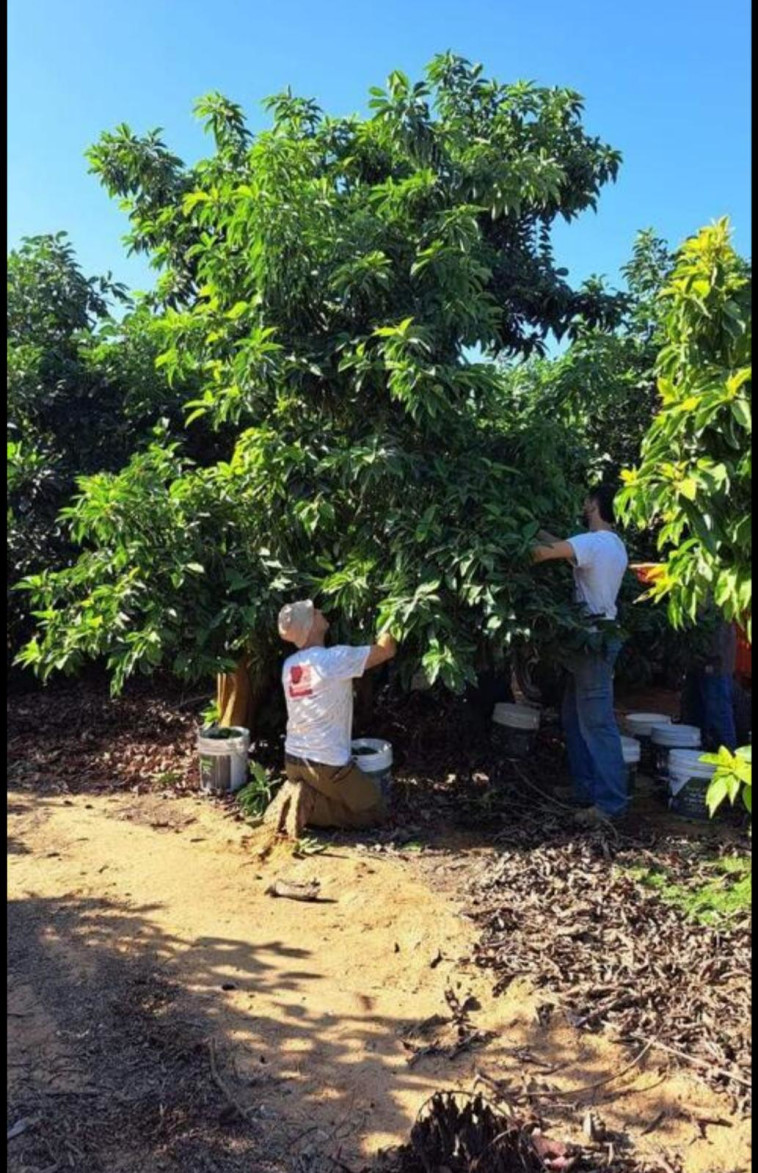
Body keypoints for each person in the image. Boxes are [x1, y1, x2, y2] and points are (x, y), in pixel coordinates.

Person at [531, 485, 629, 827]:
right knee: (574, 716)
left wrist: (511, 539)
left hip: (593, 640)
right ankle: (585, 787)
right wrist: (533, 526)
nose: (582, 504)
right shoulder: (612, 544)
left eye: (586, 500)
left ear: (593, 504)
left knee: (598, 722)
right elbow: (563, 547)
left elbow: (543, 554)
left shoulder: (595, 543)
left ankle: (610, 804)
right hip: (594, 639)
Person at [264, 599, 397, 838]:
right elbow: (386, 650)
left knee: (343, 792)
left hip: (293, 761)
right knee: (375, 810)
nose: (320, 611)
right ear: (310, 627)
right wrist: (393, 612)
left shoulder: (289, 665)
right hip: (326, 765)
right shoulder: (334, 660)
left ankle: (301, 791)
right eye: (314, 612)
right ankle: (312, 804)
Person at [680, 613, 738, 751]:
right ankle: (695, 755)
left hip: (715, 657)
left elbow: (710, 619)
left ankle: (728, 759)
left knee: (717, 712)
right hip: (700, 656)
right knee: (694, 709)